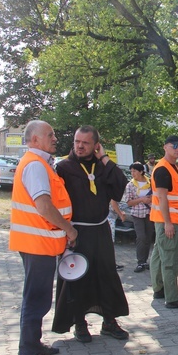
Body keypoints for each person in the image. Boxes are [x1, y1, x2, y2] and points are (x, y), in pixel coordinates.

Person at [52, 125, 129, 343]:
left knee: (106, 275)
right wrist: (66, 232)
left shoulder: (102, 166)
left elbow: (120, 186)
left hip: (100, 230)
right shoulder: (64, 168)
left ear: (96, 145)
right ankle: (79, 323)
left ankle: (109, 322)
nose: (79, 146)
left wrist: (104, 157)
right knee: (77, 278)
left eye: (85, 143)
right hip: (76, 232)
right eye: (77, 141)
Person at [9, 120, 78, 355]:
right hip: (37, 245)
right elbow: (44, 206)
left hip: (40, 244)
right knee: (36, 301)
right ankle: (28, 354)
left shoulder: (39, 164)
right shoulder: (36, 166)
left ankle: (33, 345)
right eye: (50, 135)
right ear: (34, 139)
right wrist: (69, 229)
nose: (55, 138)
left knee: (36, 299)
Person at [149, 135, 178, 309]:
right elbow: (162, 197)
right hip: (167, 222)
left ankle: (159, 289)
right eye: (174, 146)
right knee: (170, 258)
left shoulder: (173, 167)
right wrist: (168, 223)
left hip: (167, 220)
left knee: (160, 255)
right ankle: (173, 297)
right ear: (165, 147)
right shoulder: (163, 169)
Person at [125, 163, 154, 273]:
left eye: (134, 171)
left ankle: (145, 261)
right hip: (137, 214)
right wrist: (142, 200)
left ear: (141, 171)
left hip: (149, 213)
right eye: (131, 171)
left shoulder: (150, 182)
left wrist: (150, 198)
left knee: (148, 237)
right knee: (141, 237)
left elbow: (157, 195)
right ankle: (140, 261)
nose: (133, 174)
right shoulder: (130, 185)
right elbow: (129, 202)